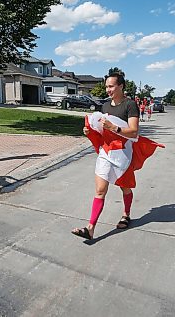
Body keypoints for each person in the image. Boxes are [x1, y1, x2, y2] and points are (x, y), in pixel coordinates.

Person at [71, 72, 152, 240]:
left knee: (125, 187)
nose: (108, 90)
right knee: (100, 190)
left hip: (123, 154)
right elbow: (102, 131)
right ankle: (90, 228)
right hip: (106, 152)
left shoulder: (130, 105)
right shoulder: (105, 106)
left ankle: (126, 214)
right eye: (107, 86)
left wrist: (114, 128)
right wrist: (90, 131)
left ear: (121, 86)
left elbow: (134, 132)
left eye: (111, 86)